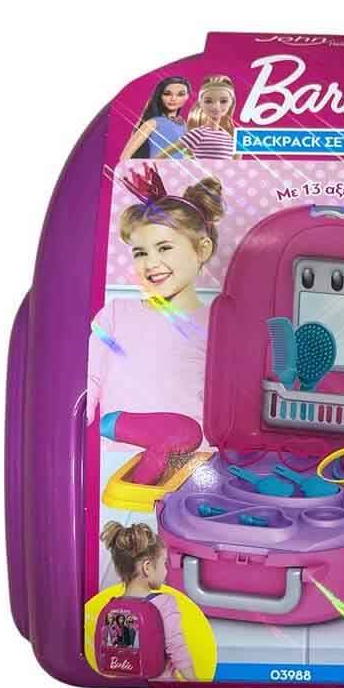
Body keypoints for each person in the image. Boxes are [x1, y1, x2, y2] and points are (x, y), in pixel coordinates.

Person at [87, 166, 226, 428]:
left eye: (164, 248)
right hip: (115, 447)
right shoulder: (116, 314)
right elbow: (90, 377)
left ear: (202, 249)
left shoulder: (219, 324)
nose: (151, 263)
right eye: (140, 253)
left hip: (195, 449)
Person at [100, 521, 195, 681]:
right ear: (148, 567)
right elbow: (177, 649)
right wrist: (196, 682)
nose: (166, 570)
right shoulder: (164, 603)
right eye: (164, 563)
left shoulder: (111, 607)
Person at [120, 76, 191, 160]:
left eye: (180, 94)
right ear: (160, 95)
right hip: (157, 167)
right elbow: (125, 157)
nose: (173, 98)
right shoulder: (153, 123)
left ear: (187, 96)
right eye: (167, 94)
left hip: (181, 168)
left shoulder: (183, 124)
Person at [172, 75, 236, 159]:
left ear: (231, 103)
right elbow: (162, 156)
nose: (216, 106)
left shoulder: (228, 138)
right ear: (200, 104)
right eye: (208, 101)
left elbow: (235, 164)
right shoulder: (198, 134)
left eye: (223, 101)